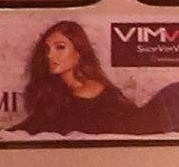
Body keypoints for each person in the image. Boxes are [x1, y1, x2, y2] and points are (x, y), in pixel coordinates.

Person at [16, 20, 148, 136]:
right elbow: (33, 126)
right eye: (47, 49)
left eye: (60, 47)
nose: (49, 55)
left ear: (78, 52)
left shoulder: (92, 94)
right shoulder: (57, 94)